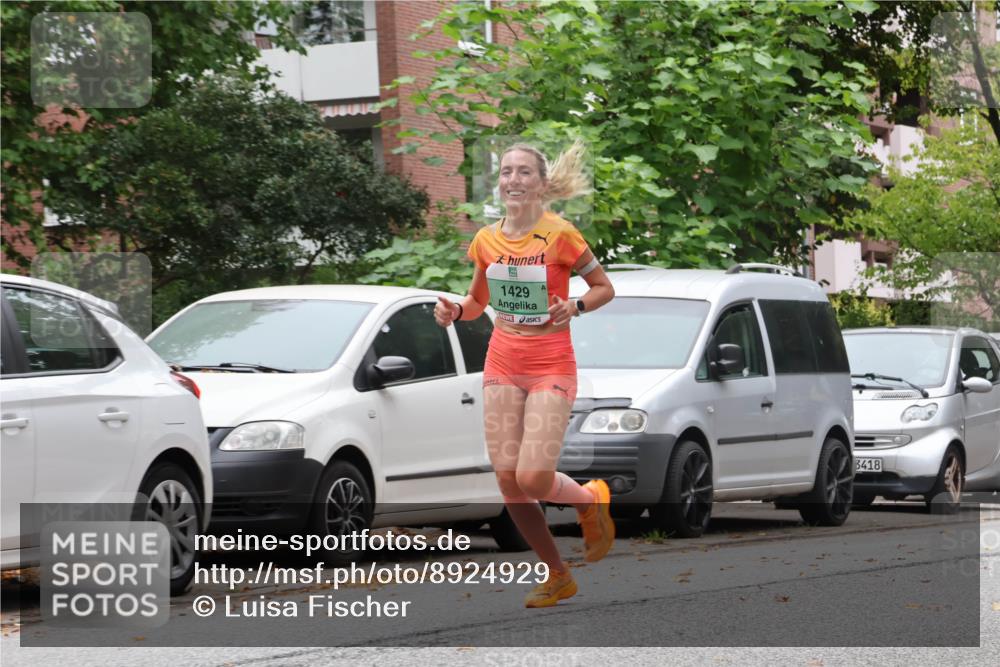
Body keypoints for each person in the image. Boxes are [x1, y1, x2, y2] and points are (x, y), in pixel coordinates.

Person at [434, 140, 615, 608]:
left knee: (534, 477)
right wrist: (454, 310)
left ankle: (590, 499)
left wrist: (573, 306)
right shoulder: (485, 240)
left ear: (541, 184)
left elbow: (603, 288)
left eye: (523, 173)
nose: (513, 179)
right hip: (502, 361)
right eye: (506, 172)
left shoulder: (561, 235)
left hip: (551, 362)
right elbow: (476, 304)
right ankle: (558, 574)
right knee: (508, 479)